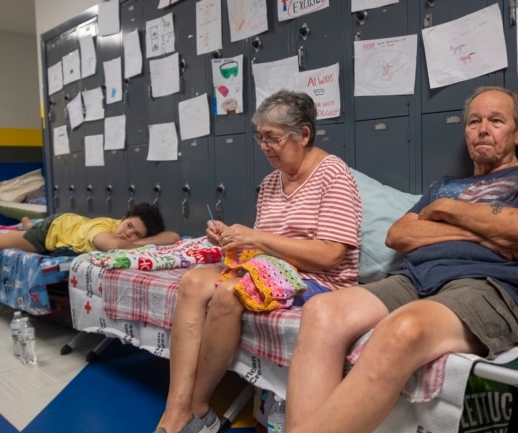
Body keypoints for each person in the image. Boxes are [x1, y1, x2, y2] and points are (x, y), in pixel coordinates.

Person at [284, 86, 518, 433]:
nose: (482, 129)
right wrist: (484, 232)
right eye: (474, 121)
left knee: (403, 329)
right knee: (321, 311)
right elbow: (399, 236)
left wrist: (446, 212)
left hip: (492, 285)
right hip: (415, 278)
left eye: (496, 121)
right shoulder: (444, 186)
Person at [154, 90, 362, 433]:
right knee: (192, 281)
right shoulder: (269, 183)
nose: (264, 147)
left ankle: (200, 405)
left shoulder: (333, 174)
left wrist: (257, 238)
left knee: (229, 293)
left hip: (322, 279)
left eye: (273, 138)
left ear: (304, 135)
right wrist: (230, 238)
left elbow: (330, 254)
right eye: (260, 137)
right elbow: (263, 250)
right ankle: (176, 411)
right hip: (276, 270)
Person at [0, 202, 180, 255]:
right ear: (122, 218)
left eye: (136, 234)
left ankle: (28, 225)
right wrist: (140, 242)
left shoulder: (124, 231)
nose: (128, 234)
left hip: (72, 225)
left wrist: (136, 240)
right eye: (129, 225)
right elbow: (112, 245)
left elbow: (174, 235)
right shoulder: (103, 227)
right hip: (51, 231)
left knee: (26, 230)